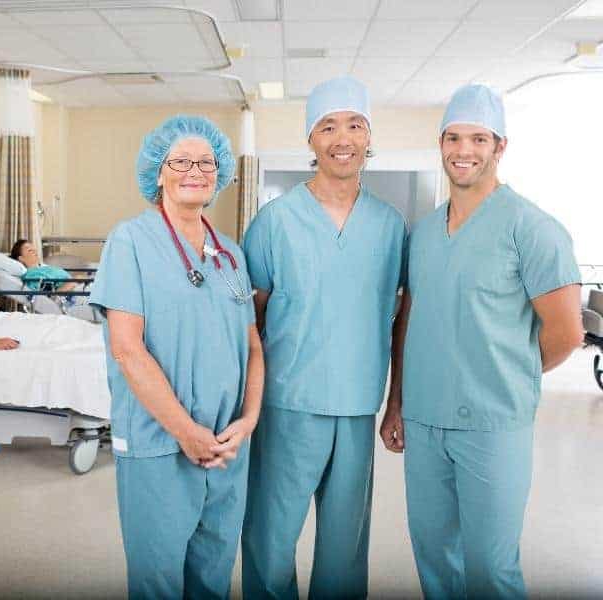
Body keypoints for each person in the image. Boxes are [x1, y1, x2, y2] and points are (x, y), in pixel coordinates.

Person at [379, 84, 583, 599]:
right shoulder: (422, 233)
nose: (463, 150)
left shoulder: (533, 229)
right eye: (452, 137)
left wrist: (503, 375)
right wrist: (397, 401)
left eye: (477, 138)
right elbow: (409, 318)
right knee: (433, 560)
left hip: (492, 426)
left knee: (490, 570)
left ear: (500, 146)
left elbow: (566, 334)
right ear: (440, 144)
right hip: (424, 422)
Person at [240, 76, 407, 599]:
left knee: (345, 546)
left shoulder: (390, 225)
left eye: (355, 125)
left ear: (368, 138)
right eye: (328, 126)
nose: (343, 137)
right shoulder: (273, 223)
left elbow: (400, 317)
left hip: (358, 404)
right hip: (288, 402)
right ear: (311, 140)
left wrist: (395, 402)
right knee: (271, 535)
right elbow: (253, 320)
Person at [88, 115, 264, 599]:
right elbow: (127, 349)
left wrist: (248, 420)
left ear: (220, 173)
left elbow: (252, 345)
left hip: (227, 442)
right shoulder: (130, 242)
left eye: (206, 162)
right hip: (159, 441)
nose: (195, 170)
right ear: (158, 173)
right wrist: (187, 431)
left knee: (213, 571)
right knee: (158, 580)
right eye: (180, 160)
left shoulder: (231, 253)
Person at [9, 239, 79, 293]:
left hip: (77, 288)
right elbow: (52, 296)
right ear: (21, 258)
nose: (35, 251)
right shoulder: (31, 275)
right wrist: (74, 281)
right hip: (73, 294)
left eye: (34, 249)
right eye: (30, 250)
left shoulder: (43, 268)